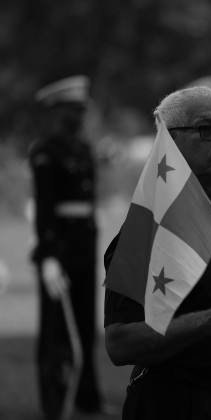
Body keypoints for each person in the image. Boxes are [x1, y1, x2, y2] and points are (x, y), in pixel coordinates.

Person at [103, 86, 211, 420]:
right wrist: (209, 320)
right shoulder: (147, 234)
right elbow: (119, 342)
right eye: (206, 129)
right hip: (181, 406)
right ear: (170, 142)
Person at [28, 75, 107, 418]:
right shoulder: (46, 151)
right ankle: (55, 403)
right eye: (74, 108)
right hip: (59, 250)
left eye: (82, 108)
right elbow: (45, 209)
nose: (80, 114)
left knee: (86, 327)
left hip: (83, 247)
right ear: (58, 110)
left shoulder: (83, 148)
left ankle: (87, 399)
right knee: (56, 331)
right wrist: (47, 257)